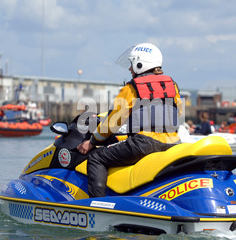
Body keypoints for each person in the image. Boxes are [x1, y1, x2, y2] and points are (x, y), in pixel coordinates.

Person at [77, 43, 182, 198]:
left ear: (140, 64)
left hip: (144, 143)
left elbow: (113, 121)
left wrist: (92, 141)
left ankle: (96, 205)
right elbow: (177, 111)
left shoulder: (132, 88)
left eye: (132, 64)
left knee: (96, 157)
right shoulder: (171, 85)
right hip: (173, 142)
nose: (130, 69)